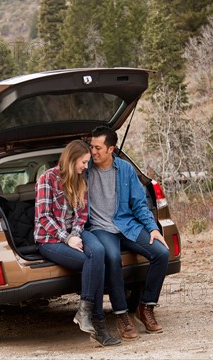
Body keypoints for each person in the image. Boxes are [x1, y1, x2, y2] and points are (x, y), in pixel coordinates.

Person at [86, 126, 170, 340]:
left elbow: (139, 203)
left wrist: (152, 228)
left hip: (126, 224)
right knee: (112, 258)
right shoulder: (85, 169)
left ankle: (146, 307)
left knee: (161, 253)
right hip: (100, 227)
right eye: (91, 147)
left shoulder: (125, 169)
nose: (93, 151)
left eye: (97, 148)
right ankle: (122, 314)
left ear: (111, 149)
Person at [34, 139, 120, 346]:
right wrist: (67, 238)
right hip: (50, 238)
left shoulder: (81, 180)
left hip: (75, 231)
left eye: (87, 162)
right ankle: (98, 325)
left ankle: (84, 311)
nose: (85, 166)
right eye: (83, 162)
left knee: (98, 252)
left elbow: (81, 215)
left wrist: (76, 234)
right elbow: (44, 217)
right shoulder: (48, 179)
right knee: (93, 264)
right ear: (72, 160)